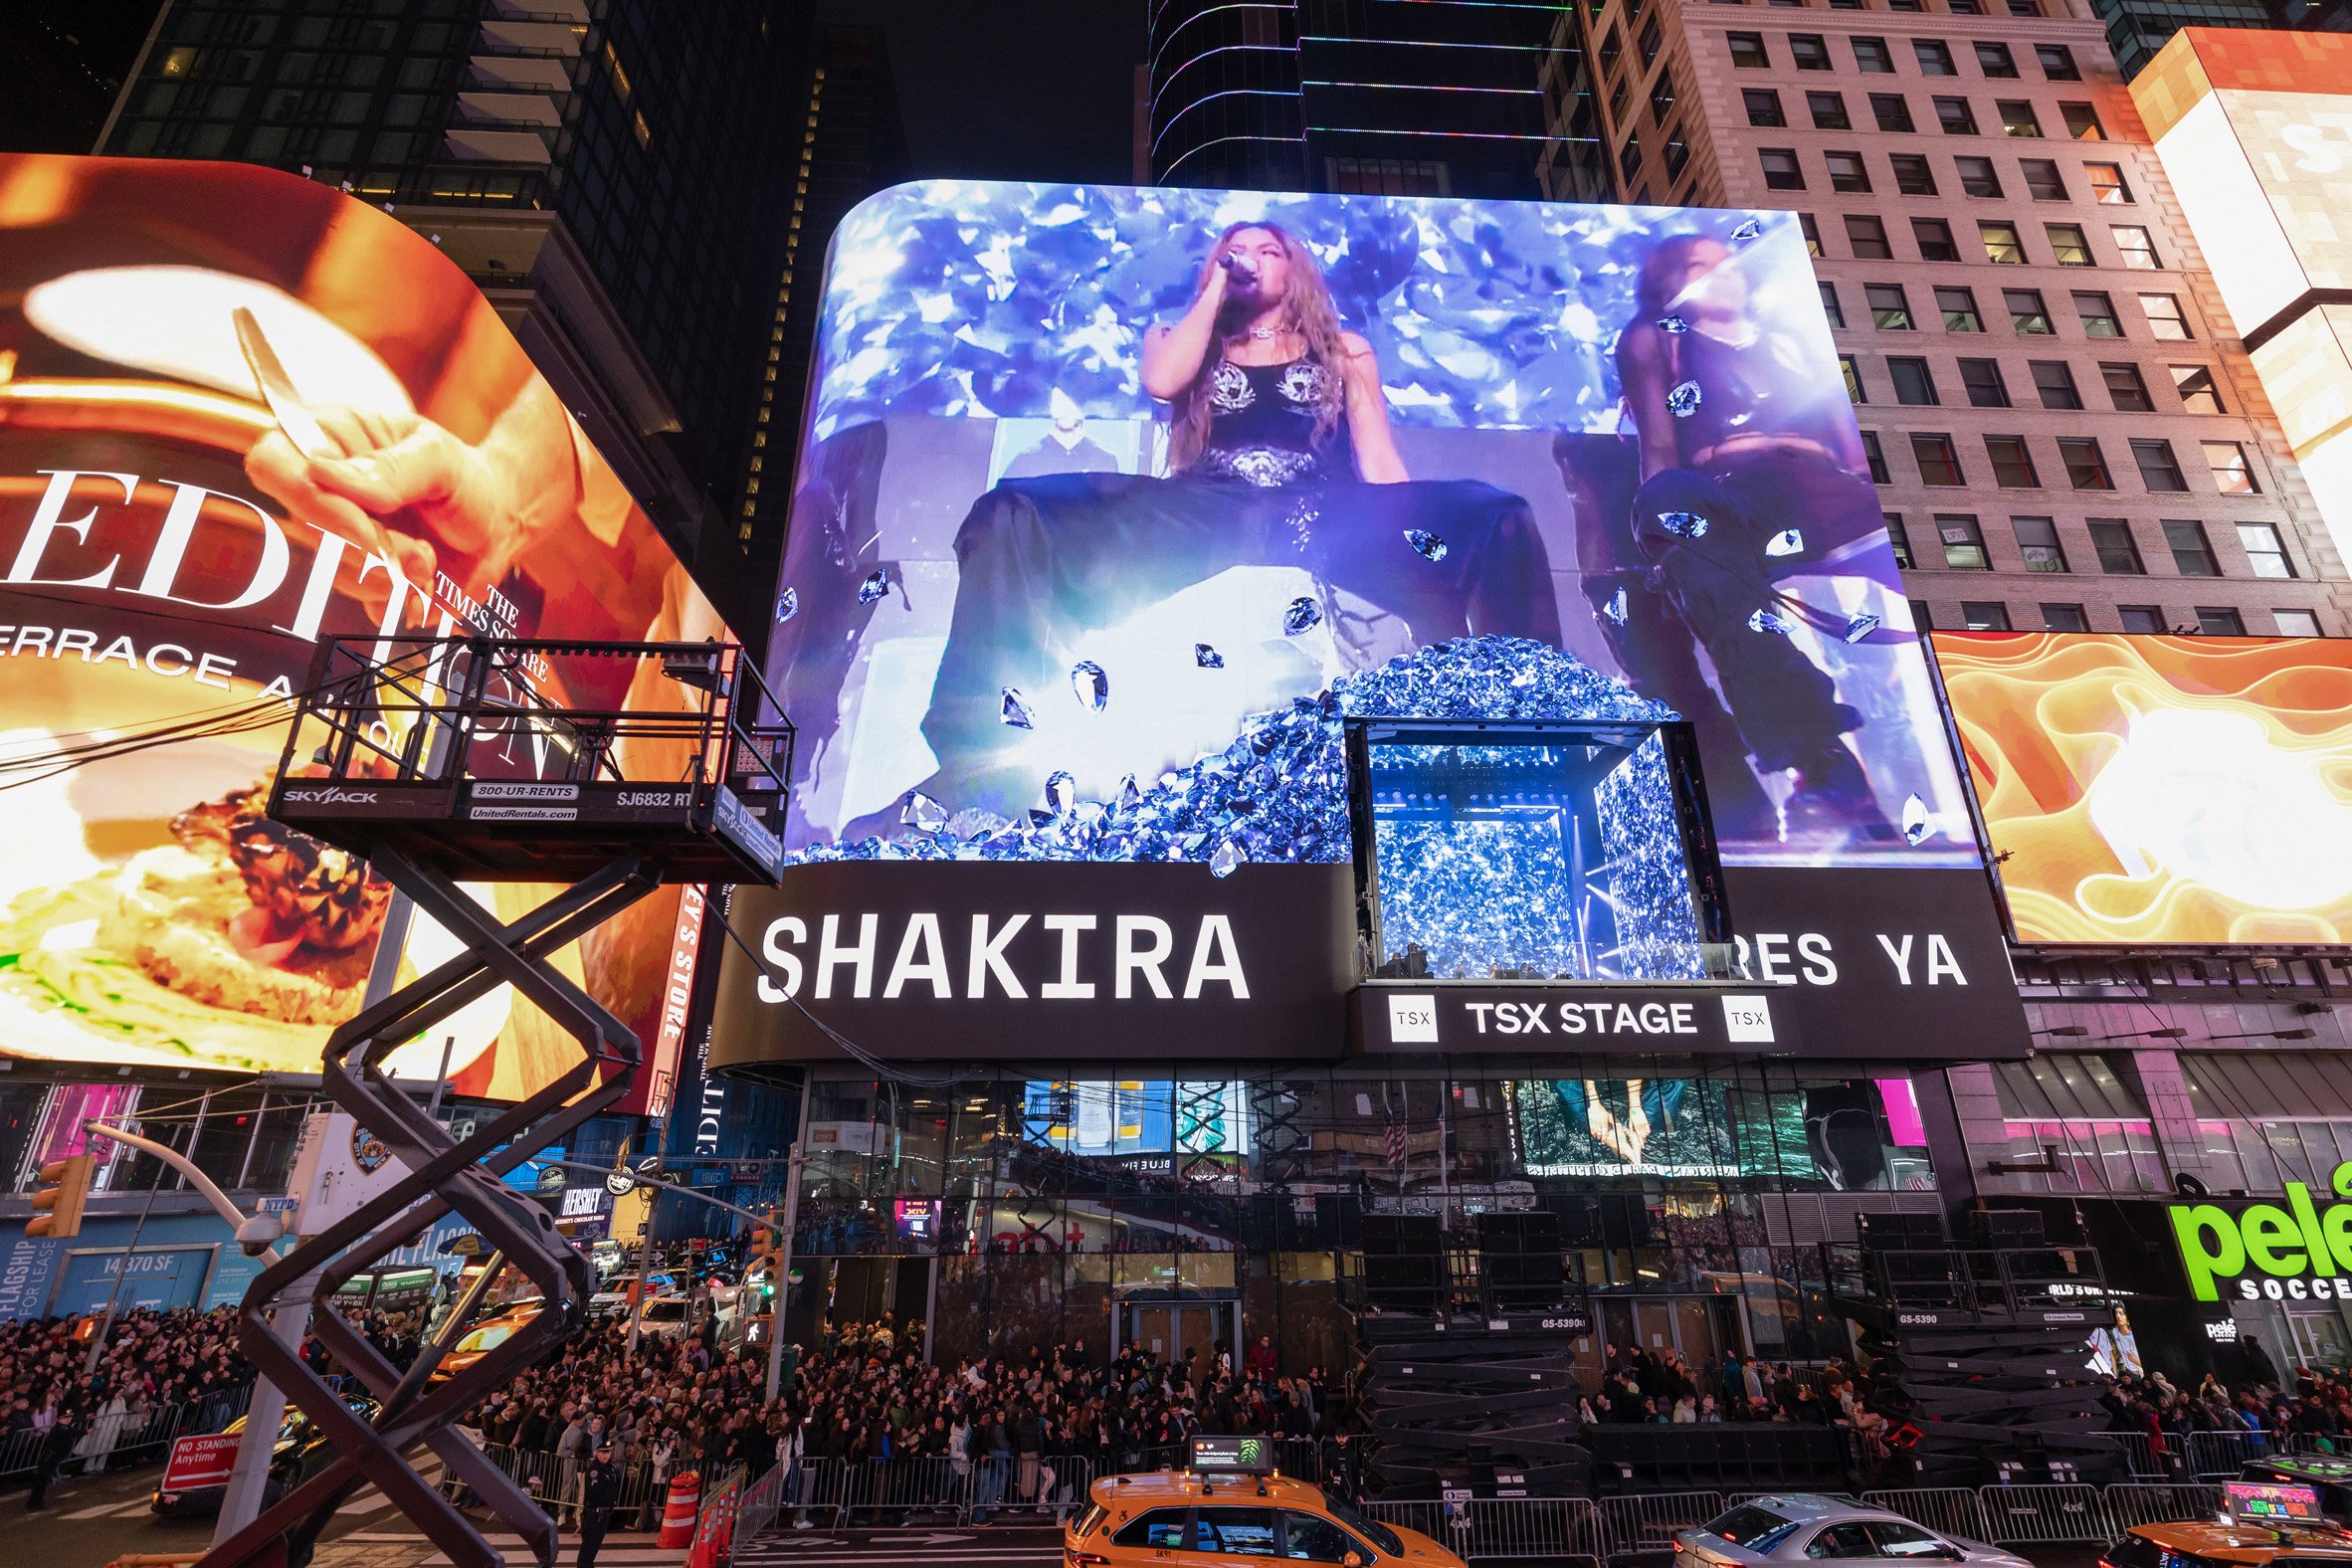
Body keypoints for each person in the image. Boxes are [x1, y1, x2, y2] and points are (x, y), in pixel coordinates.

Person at [884, 219, 1563, 828]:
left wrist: (1418, 548)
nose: (1253, 260)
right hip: (1207, 511)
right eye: (1236, 252)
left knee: (1494, 514)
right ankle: (977, 765)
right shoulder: (1186, 341)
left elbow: (1379, 458)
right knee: (1013, 511)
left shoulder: (1344, 350)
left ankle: (1537, 730)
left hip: (1320, 511)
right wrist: (1212, 294)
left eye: (1269, 251)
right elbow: (1161, 381)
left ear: (1295, 268)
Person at [1612, 232, 1901, 840]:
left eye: (1729, 263)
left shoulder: (1794, 338)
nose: (1724, 275)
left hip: (1815, 487)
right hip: (1726, 491)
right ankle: (1820, 761)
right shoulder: (1658, 341)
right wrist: (1657, 529)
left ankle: (1831, 767)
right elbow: (1660, 449)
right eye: (1700, 266)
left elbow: (1851, 447)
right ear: (1670, 284)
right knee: (1673, 511)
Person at [576, 1441, 622, 1568]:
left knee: (595, 1546)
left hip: (605, 1512)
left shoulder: (611, 1466)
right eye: (602, 1452)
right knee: (588, 1547)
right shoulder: (594, 1470)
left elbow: (617, 1481)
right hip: (594, 1513)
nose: (605, 1455)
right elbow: (597, 1491)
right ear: (597, 1453)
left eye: (607, 1452)